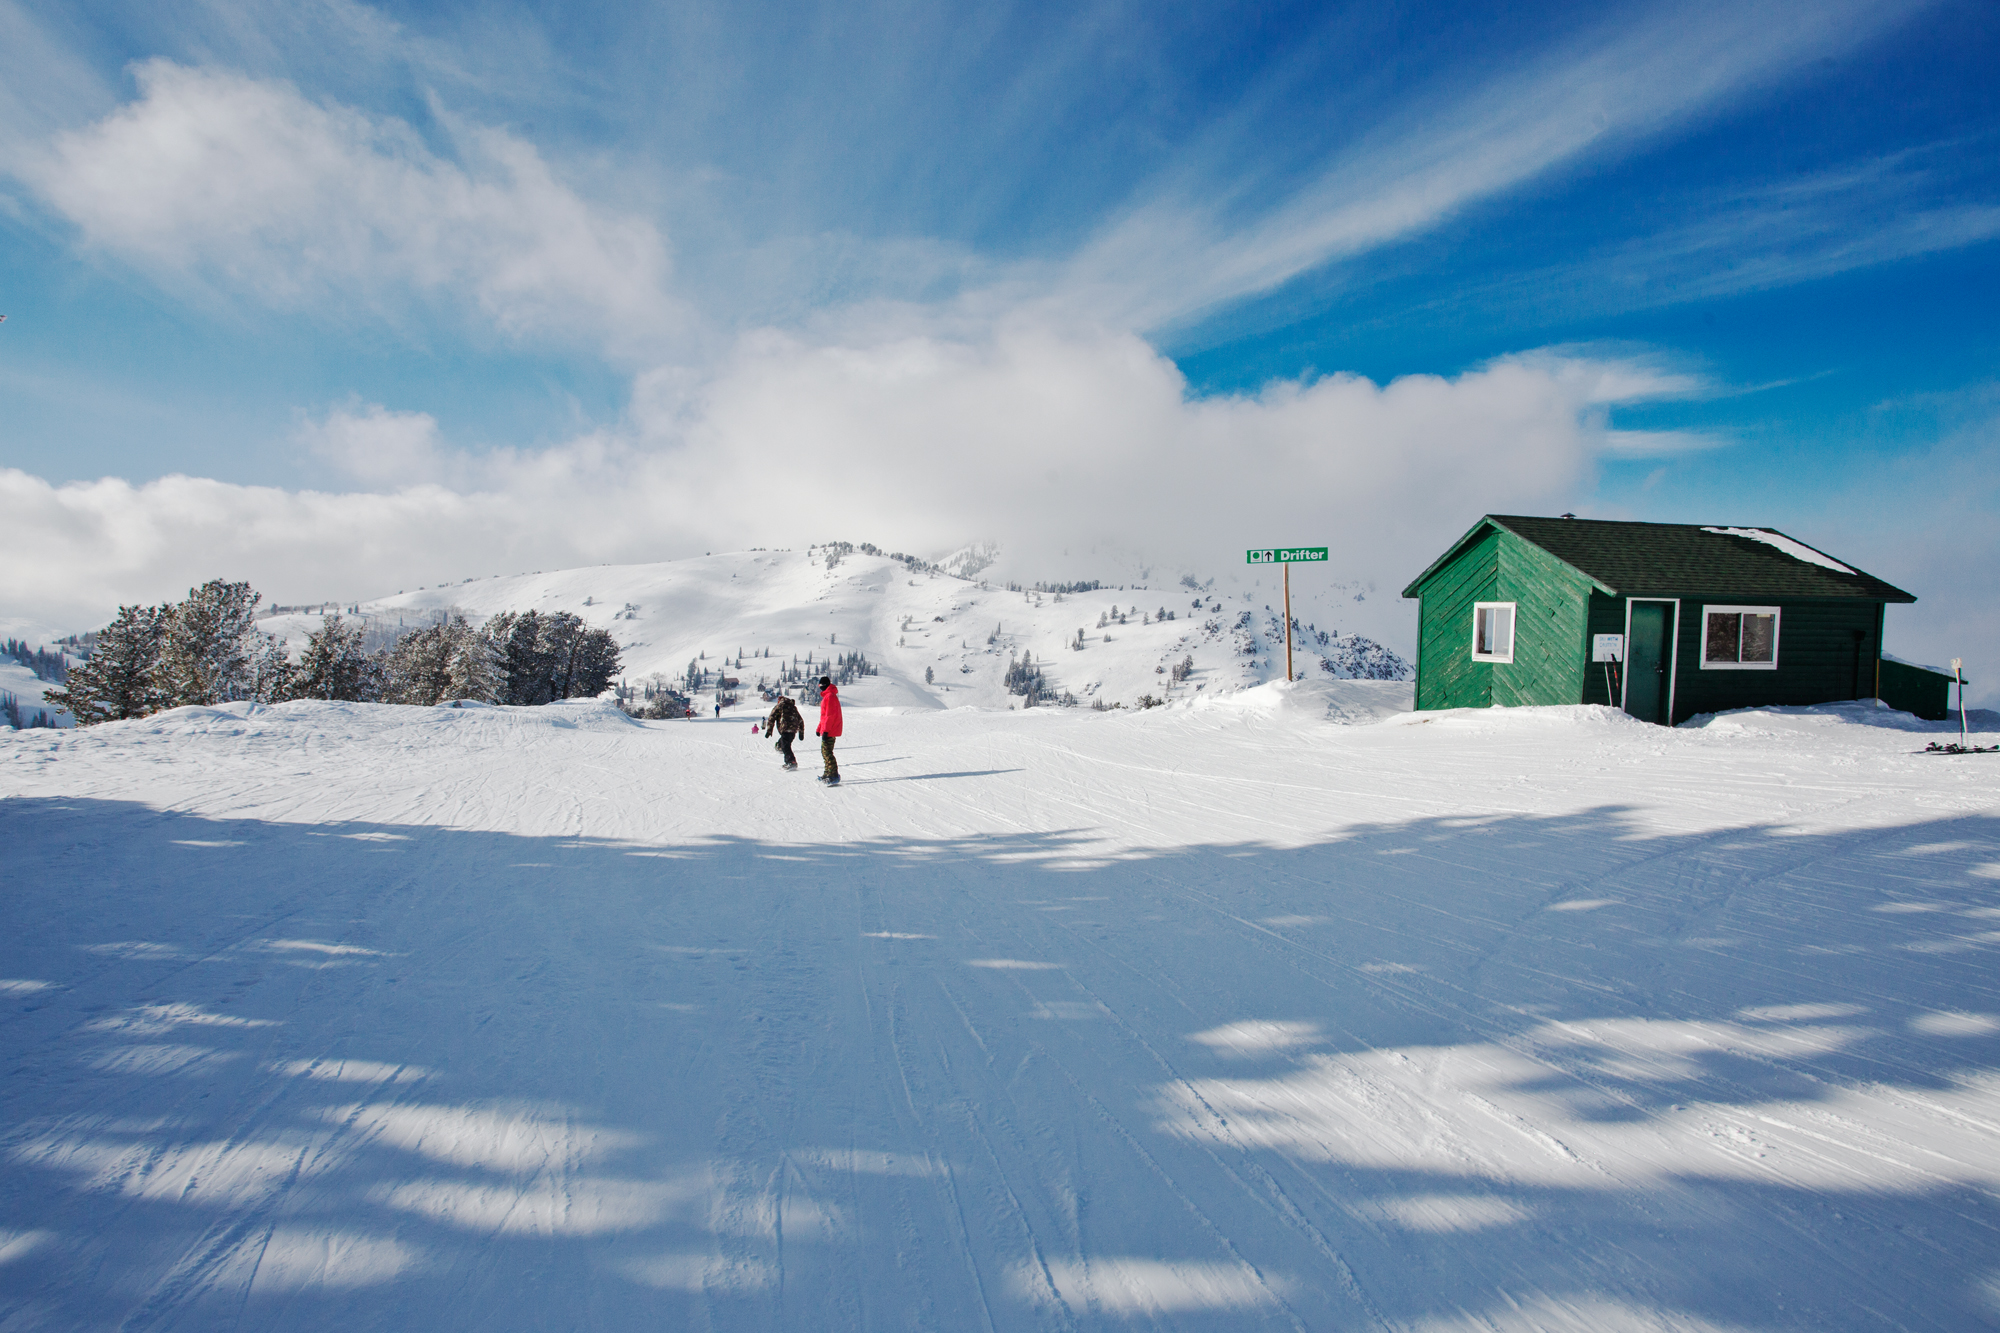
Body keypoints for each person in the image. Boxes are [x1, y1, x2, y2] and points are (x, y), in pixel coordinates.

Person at [763, 694, 806, 770]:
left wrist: (769, 731)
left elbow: (771, 717)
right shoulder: (793, 707)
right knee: (785, 742)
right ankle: (779, 746)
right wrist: (801, 733)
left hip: (785, 727)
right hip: (793, 730)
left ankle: (791, 761)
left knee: (786, 746)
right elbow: (800, 720)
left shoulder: (780, 705)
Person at [815, 675, 842, 784]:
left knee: (827, 752)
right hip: (828, 729)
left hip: (830, 729)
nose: (819, 687)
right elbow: (824, 716)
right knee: (824, 751)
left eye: (820, 685)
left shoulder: (830, 696)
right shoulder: (827, 696)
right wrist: (819, 728)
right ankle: (827, 773)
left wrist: (825, 730)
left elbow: (830, 715)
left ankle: (833, 775)